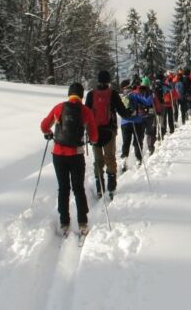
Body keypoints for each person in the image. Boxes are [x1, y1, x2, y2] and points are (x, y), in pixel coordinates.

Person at [40, 82, 98, 236]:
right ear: (81, 95)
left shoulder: (59, 107)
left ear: (69, 93)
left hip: (58, 154)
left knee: (63, 188)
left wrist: (49, 132)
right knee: (78, 188)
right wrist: (92, 140)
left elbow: (44, 125)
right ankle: (82, 222)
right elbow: (94, 136)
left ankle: (64, 222)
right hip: (76, 154)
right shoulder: (85, 111)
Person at [84, 70, 130, 201]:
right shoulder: (113, 93)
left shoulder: (91, 94)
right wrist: (130, 113)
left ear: (98, 80)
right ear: (108, 81)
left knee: (98, 160)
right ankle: (111, 187)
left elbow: (86, 113)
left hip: (94, 132)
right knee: (110, 158)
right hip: (109, 131)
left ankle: (99, 188)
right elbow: (122, 111)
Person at [119, 79, 154, 172]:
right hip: (137, 121)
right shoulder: (135, 95)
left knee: (126, 142)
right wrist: (150, 94)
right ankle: (139, 159)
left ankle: (124, 160)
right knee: (137, 141)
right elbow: (147, 102)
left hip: (125, 122)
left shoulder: (121, 97)